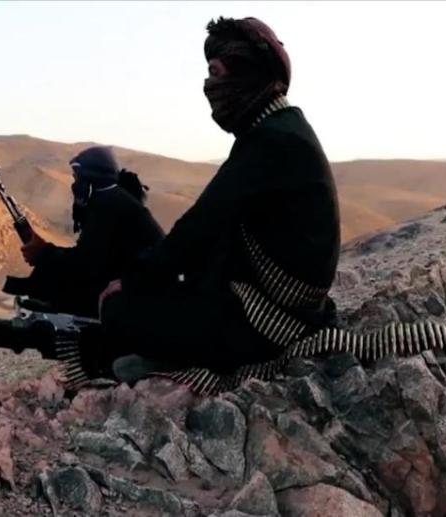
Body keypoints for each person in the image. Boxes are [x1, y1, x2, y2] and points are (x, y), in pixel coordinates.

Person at [95, 17, 341, 381]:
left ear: (246, 75)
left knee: (118, 310)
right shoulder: (280, 128)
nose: (209, 86)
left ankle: (175, 362)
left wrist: (132, 283)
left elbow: (200, 226)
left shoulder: (272, 141)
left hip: (268, 323)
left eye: (216, 72)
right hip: (284, 305)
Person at [5, 146, 165, 318]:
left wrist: (44, 253)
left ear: (88, 183)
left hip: (139, 296)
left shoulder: (109, 204)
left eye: (76, 178)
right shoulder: (112, 200)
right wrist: (46, 254)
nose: (74, 185)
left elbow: (86, 264)